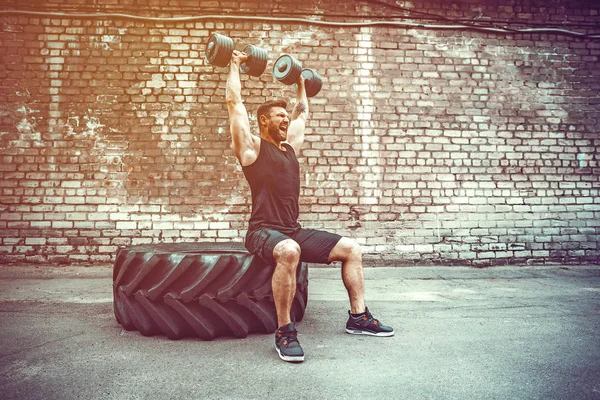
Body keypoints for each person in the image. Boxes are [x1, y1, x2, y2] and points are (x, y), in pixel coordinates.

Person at [225, 49, 394, 363]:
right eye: (279, 116)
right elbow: (235, 104)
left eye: (286, 116)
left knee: (352, 248)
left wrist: (301, 83)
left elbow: (303, 112)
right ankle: (284, 331)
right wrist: (234, 63)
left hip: (292, 230)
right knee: (289, 250)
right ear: (263, 121)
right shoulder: (251, 149)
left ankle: (358, 317)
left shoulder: (290, 148)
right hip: (262, 232)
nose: (286, 119)